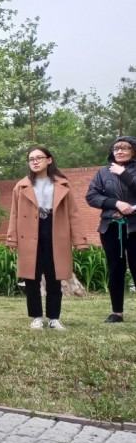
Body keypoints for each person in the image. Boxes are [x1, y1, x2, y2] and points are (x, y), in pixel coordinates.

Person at [8, 147, 88, 330]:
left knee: (55, 276)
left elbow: (73, 214)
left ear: (49, 160)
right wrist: (11, 238)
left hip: (55, 230)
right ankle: (36, 317)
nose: (35, 162)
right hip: (29, 231)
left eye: (39, 158)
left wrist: (79, 240)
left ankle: (54, 318)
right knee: (31, 277)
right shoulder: (21, 185)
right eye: (31, 159)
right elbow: (14, 214)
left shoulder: (62, 184)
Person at [85, 136, 136, 323]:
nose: (120, 152)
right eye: (116, 149)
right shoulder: (103, 172)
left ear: (133, 151)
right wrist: (116, 203)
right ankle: (117, 313)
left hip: (134, 227)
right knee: (115, 269)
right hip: (110, 227)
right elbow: (91, 196)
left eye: (125, 148)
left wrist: (124, 174)